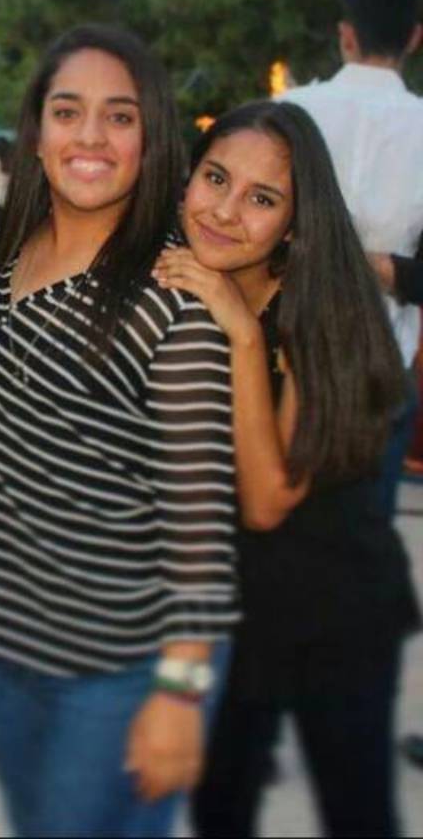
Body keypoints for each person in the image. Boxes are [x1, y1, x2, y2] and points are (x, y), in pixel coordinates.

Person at [0, 24, 237, 838]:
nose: (90, 136)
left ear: (151, 139)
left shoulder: (172, 295)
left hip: (117, 667)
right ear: (36, 133)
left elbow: (200, 513)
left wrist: (181, 691)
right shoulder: (2, 258)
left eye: (119, 116)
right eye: (68, 111)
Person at [152, 100, 420, 837]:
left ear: (297, 223)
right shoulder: (176, 277)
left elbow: (268, 499)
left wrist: (243, 335)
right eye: (216, 179)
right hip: (233, 611)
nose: (224, 211)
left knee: (357, 813)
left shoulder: (321, 314)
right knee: (219, 808)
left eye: (262, 199)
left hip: (336, 613)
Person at [283, 0, 423, 517]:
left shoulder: (289, 110)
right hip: (378, 369)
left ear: (346, 34)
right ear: (414, 38)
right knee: (361, 538)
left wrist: (325, 257)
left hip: (282, 355)